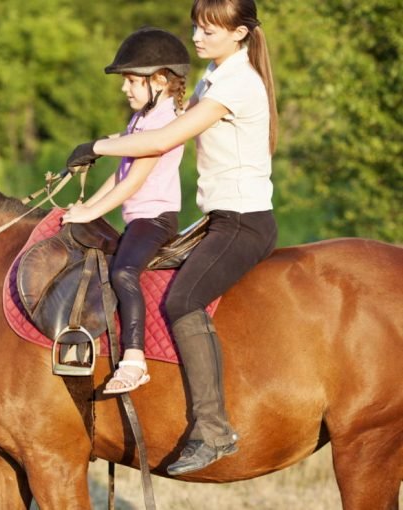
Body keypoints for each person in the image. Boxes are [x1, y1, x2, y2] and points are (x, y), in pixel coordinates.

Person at [66, 0, 278, 476]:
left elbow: (163, 141)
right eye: (196, 28)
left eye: (209, 30)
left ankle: (214, 431)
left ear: (240, 33)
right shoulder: (212, 78)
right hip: (217, 218)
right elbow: (157, 131)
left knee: (182, 300)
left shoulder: (238, 84)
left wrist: (97, 146)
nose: (197, 38)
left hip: (243, 222)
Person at [62, 27, 190, 395]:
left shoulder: (163, 122)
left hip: (156, 220)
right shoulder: (142, 119)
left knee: (124, 272)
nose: (124, 88)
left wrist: (91, 214)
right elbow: (120, 175)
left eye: (132, 81)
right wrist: (87, 205)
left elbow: (133, 183)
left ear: (160, 80)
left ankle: (135, 361)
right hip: (139, 219)